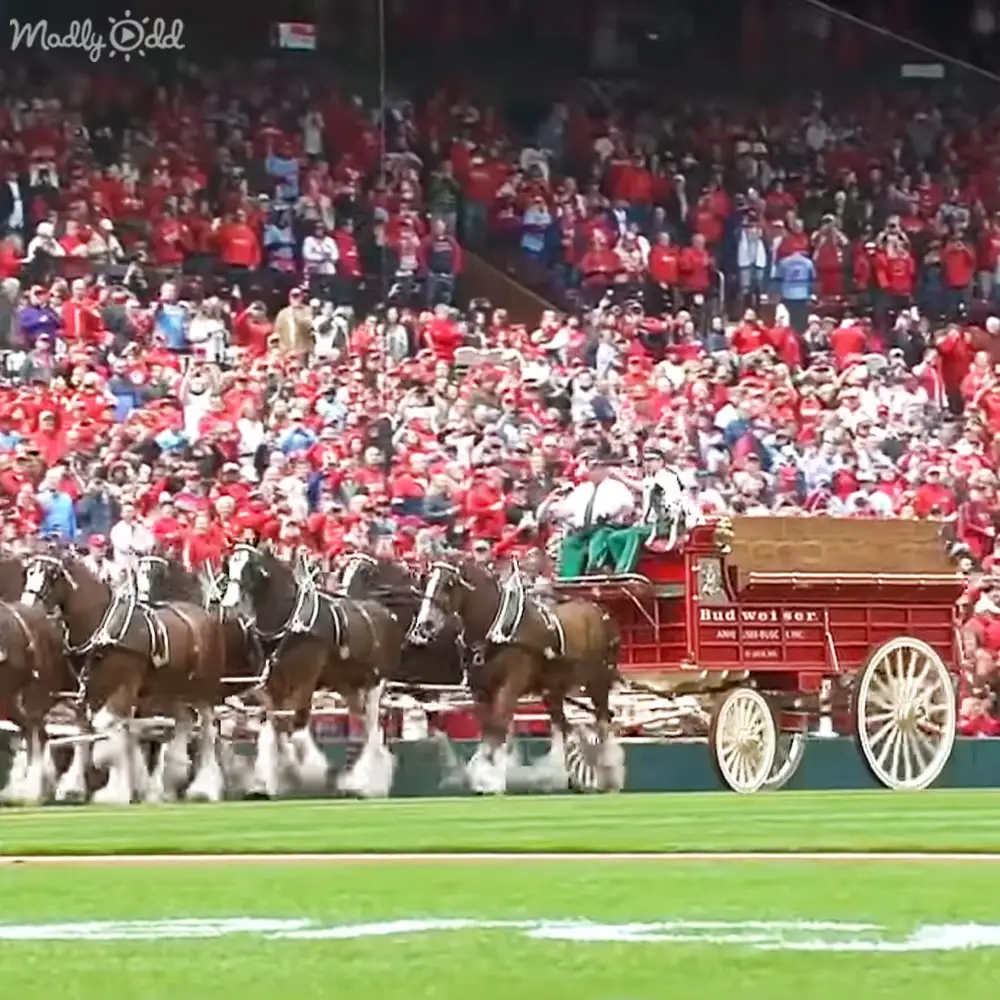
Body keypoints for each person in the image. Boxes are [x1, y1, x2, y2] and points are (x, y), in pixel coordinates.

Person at [546, 454, 634, 578]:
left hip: (605, 527)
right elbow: (568, 508)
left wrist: (611, 513)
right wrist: (554, 510)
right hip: (583, 530)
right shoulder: (582, 489)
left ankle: (596, 568)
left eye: (596, 468)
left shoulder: (617, 487)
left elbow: (626, 506)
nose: (592, 472)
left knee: (600, 537)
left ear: (604, 469)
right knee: (570, 543)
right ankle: (568, 578)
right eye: (591, 468)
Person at [606, 446, 692, 573]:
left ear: (661, 462)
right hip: (651, 524)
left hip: (668, 525)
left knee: (636, 533)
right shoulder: (651, 478)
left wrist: (621, 478)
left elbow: (645, 487)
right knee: (614, 538)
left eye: (652, 460)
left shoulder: (667, 477)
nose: (648, 464)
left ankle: (624, 571)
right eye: (646, 460)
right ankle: (620, 567)